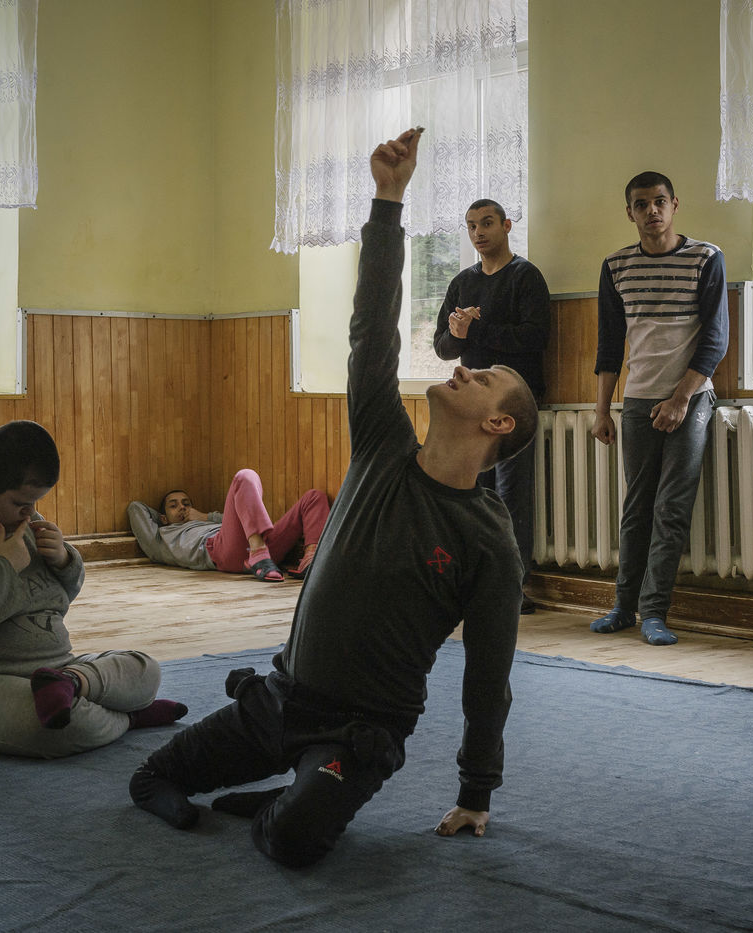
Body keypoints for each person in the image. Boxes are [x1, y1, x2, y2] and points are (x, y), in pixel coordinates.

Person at [128, 126, 539, 868]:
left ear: (498, 424)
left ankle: (281, 802)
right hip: (283, 697)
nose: (462, 370)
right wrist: (388, 201)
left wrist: (477, 790)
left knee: (296, 841)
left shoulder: (489, 540)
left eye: (482, 378)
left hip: (359, 732)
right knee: (154, 776)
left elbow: (489, 678)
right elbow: (371, 331)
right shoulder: (383, 443)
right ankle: (275, 779)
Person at [0, 420, 187, 758]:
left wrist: (64, 560)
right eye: (21, 503)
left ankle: (72, 683)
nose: (31, 512)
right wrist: (4, 567)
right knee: (61, 726)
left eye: (35, 502)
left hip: (51, 671)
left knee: (145, 669)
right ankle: (129, 716)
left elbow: (53, 601)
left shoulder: (18, 521)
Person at [589, 171, 728, 647]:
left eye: (660, 201)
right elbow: (609, 345)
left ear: (674, 205)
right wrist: (602, 410)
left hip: (691, 398)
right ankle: (623, 607)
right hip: (637, 400)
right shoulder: (616, 265)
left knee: (671, 508)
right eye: (641, 204)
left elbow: (716, 340)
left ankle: (654, 613)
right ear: (629, 211)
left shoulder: (705, 258)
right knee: (637, 507)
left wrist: (681, 398)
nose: (652, 211)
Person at [433, 198, 551, 613]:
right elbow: (443, 348)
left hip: (514, 404)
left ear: (506, 225)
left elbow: (534, 337)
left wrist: (477, 328)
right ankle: (474, 584)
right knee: (473, 496)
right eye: (471, 226)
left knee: (512, 498)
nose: (478, 233)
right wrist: (458, 333)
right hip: (471, 408)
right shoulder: (462, 283)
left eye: (486, 223)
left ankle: (512, 587)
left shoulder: (525, 276)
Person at [126, 469, 330, 582]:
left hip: (262, 548)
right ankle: (257, 551)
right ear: (163, 517)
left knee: (314, 497)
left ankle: (310, 558)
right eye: (173, 505)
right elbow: (135, 508)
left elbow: (241, 515)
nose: (182, 507)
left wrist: (204, 516)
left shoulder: (203, 519)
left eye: (186, 503)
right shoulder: (159, 538)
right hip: (223, 552)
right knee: (244, 476)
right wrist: (165, 518)